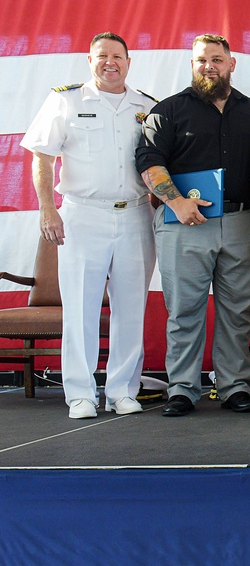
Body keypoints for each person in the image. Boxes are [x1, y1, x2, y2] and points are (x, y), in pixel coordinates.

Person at [21, 32, 157, 419]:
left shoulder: (146, 106)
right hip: (82, 214)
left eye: (117, 56)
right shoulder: (65, 100)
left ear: (129, 62)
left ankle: (122, 391)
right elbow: (43, 158)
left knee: (131, 306)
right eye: (102, 56)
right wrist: (47, 209)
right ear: (89, 60)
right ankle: (80, 393)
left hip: (135, 214)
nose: (109, 62)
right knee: (79, 307)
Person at [135, 34, 250, 417]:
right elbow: (148, 160)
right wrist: (175, 200)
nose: (208, 66)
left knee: (237, 311)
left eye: (216, 58)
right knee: (184, 310)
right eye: (200, 60)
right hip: (183, 223)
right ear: (191, 65)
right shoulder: (168, 110)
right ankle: (182, 389)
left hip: (243, 221)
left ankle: (234, 386)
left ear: (231, 63)